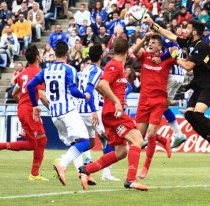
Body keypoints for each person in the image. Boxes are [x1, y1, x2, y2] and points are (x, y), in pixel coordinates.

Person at [146, 18, 210, 161]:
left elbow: (188, 67)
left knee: (198, 114)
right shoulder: (189, 43)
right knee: (189, 116)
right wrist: (154, 25)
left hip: (209, 86)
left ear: (195, 31)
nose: (186, 30)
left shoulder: (201, 46)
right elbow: (170, 36)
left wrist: (176, 57)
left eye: (188, 28)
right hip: (199, 85)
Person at [78, 36, 149, 191]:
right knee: (137, 139)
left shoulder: (117, 66)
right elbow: (101, 84)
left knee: (121, 152)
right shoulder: (115, 65)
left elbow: (98, 86)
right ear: (127, 50)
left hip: (111, 112)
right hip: (113, 114)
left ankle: (86, 170)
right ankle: (131, 180)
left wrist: (116, 100)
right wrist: (116, 101)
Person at [27, 41, 91, 186]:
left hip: (54, 114)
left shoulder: (46, 70)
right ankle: (61, 164)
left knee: (75, 144)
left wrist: (35, 105)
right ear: (68, 53)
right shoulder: (70, 69)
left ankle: (82, 174)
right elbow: (74, 91)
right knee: (85, 142)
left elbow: (30, 85)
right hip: (68, 111)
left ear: (54, 53)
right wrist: (85, 96)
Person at [0, 45, 49, 181]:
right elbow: (42, 96)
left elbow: (14, 93)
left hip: (24, 108)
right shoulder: (39, 73)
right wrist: (52, 109)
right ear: (38, 58)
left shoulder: (22, 74)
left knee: (42, 140)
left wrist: (22, 104)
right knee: (32, 144)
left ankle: (34, 174)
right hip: (29, 111)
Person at [74, 43, 120, 181]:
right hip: (91, 111)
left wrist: (113, 99)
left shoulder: (83, 70)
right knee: (114, 139)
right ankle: (105, 173)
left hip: (80, 110)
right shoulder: (98, 71)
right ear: (102, 56)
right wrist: (94, 111)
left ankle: (78, 166)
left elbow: (94, 90)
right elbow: (89, 91)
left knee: (90, 143)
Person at [133, 32, 175, 179]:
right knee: (139, 136)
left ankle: (145, 166)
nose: (150, 44)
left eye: (153, 42)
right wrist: (144, 38)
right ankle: (164, 140)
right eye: (149, 42)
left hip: (158, 101)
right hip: (143, 100)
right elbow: (134, 51)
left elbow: (178, 50)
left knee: (150, 134)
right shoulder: (144, 56)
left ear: (160, 47)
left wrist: (168, 47)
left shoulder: (166, 59)